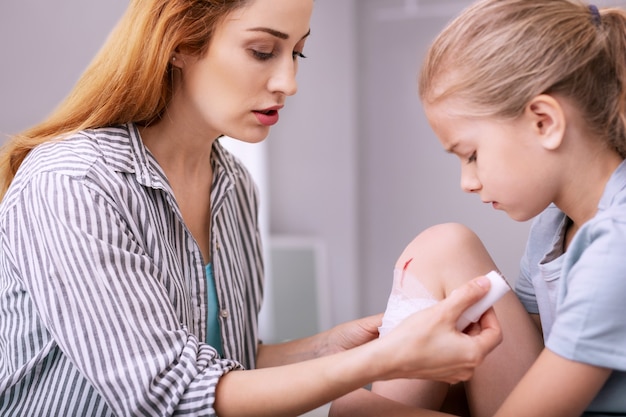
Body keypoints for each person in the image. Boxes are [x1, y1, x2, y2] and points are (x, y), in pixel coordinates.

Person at [0, 0, 505, 416]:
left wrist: (326, 347)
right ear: (180, 44)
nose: (289, 82)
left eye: (297, 55)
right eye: (262, 51)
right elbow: (167, 396)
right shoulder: (74, 182)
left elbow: (227, 360)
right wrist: (379, 360)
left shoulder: (233, 185)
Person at [331, 0, 626, 416]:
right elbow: (532, 364)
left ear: (544, 122)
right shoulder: (553, 226)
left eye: (470, 154)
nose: (467, 182)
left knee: (356, 410)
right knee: (445, 246)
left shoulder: (617, 242)